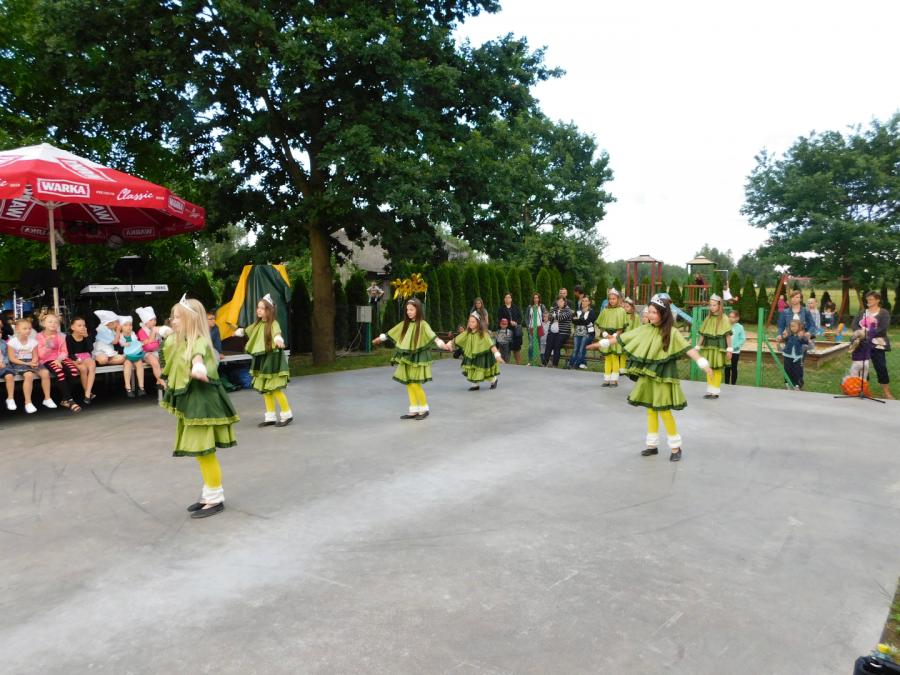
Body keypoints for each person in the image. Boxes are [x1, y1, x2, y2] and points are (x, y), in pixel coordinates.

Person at [588, 294, 712, 461]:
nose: (650, 315)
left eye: (654, 312)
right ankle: (652, 445)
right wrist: (601, 343)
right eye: (649, 312)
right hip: (648, 374)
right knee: (650, 410)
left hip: (663, 376)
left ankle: (675, 447)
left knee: (664, 410)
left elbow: (687, 349)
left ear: (663, 314)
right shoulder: (646, 329)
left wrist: (702, 363)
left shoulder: (672, 332)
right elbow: (623, 338)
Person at [159, 295, 239, 519]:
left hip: (203, 405)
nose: (173, 320)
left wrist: (198, 366)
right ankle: (208, 494)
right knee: (201, 452)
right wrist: (164, 332)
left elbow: (197, 355)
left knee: (205, 452)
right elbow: (170, 347)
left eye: (177, 317)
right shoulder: (179, 340)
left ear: (190, 320)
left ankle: (215, 498)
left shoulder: (200, 341)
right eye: (172, 317)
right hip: (194, 403)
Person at [373, 297, 447, 420]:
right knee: (409, 384)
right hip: (407, 356)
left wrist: (442, 344)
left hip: (418, 357)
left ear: (418, 310)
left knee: (415, 383)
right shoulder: (405, 324)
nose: (409, 312)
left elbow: (433, 336)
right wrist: (380, 339)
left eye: (411, 309)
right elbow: (392, 331)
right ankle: (414, 409)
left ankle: (424, 409)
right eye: (407, 310)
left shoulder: (423, 324)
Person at [239, 294, 293, 427]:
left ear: (269, 310)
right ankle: (270, 416)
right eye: (258, 308)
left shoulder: (274, 324)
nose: (259, 310)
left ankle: (287, 414)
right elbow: (247, 330)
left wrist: (278, 339)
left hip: (273, 360)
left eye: (262, 308)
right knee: (265, 390)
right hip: (263, 359)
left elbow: (277, 333)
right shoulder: (258, 324)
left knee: (275, 388)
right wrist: (240, 331)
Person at [851, 291, 893, 399]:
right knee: (863, 367)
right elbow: (854, 325)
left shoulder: (884, 313)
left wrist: (867, 334)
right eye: (867, 299)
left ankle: (886, 392)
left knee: (881, 367)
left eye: (871, 299)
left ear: (877, 300)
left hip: (877, 343)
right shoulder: (862, 312)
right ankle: (864, 390)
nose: (868, 301)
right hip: (862, 343)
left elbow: (883, 328)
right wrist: (859, 333)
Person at [36, 312, 82, 412]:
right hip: (47, 360)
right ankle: (71, 401)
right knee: (59, 373)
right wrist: (47, 343)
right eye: (50, 322)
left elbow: (64, 351)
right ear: (43, 323)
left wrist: (59, 360)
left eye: (55, 322)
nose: (53, 324)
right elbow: (41, 355)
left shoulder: (61, 336)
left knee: (74, 371)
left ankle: (65, 399)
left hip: (61, 358)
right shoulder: (39, 336)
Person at [5, 318, 52, 413]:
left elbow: (35, 355)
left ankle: (47, 398)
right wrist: (27, 364)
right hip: (19, 362)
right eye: (25, 328)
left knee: (45, 373)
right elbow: (12, 358)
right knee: (29, 375)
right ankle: (28, 402)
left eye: (29, 328)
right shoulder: (12, 342)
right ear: (17, 329)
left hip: (31, 361)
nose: (28, 330)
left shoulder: (33, 341)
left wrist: (34, 362)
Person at [448, 311, 504, 391]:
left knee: (483, 370)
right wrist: (450, 343)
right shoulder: (468, 332)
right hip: (472, 355)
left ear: (478, 323)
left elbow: (491, 344)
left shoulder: (483, 334)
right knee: (472, 369)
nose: (470, 323)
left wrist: (497, 355)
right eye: (469, 321)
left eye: (473, 322)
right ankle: (475, 385)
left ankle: (493, 380)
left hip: (483, 355)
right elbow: (459, 338)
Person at [696, 295, 733, 399]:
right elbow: (703, 334)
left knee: (717, 369)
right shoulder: (708, 318)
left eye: (714, 305)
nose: (711, 307)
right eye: (710, 305)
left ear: (719, 306)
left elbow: (728, 336)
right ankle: (710, 390)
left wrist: (729, 350)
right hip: (708, 348)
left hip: (719, 349)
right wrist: (698, 346)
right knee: (709, 368)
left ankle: (715, 392)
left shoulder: (724, 319)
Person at [594, 288, 628, 386]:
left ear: (618, 299)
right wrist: (605, 333)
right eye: (610, 299)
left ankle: (614, 379)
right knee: (607, 357)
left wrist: (615, 335)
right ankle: (607, 378)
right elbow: (600, 323)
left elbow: (621, 326)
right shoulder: (605, 310)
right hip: (606, 336)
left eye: (614, 299)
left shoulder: (621, 311)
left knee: (614, 357)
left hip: (615, 337)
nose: (612, 301)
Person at [66, 316, 97, 404]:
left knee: (92, 366)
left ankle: (87, 393)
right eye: (79, 325)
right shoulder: (69, 338)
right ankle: (88, 393)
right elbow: (70, 353)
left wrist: (87, 337)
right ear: (73, 327)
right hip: (74, 357)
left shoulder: (86, 336)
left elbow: (90, 349)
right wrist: (76, 359)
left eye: (84, 325)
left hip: (85, 355)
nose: (82, 327)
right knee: (83, 369)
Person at [778, 319, 811, 389]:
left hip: (797, 357)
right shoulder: (789, 335)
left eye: (794, 326)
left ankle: (797, 384)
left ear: (799, 327)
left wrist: (803, 337)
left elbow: (807, 342)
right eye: (791, 326)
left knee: (797, 371)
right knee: (787, 370)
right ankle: (787, 383)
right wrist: (781, 337)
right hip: (787, 356)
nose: (792, 328)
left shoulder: (801, 336)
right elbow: (783, 339)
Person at [118, 316, 146, 398]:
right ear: (121, 327)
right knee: (127, 364)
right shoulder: (119, 336)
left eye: (130, 325)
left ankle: (141, 387)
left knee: (139, 363)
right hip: (126, 356)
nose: (128, 327)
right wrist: (124, 345)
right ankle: (128, 387)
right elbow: (119, 348)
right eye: (125, 325)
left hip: (135, 355)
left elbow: (137, 345)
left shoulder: (134, 335)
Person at [136, 306, 164, 387]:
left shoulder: (157, 330)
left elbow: (161, 343)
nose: (154, 322)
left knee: (163, 361)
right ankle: (162, 382)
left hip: (157, 351)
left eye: (154, 319)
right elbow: (148, 346)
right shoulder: (142, 331)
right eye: (151, 320)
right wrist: (154, 333)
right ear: (145, 322)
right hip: (146, 353)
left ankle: (159, 381)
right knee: (154, 362)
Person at [568, 294, 597, 370]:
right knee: (576, 349)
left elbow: (588, 321)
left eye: (586, 301)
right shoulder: (577, 311)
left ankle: (575, 364)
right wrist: (580, 320)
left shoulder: (591, 312)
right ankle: (572, 364)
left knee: (581, 349)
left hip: (588, 334)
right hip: (577, 333)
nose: (584, 302)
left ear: (589, 302)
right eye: (583, 301)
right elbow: (573, 321)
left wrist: (578, 320)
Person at [543, 296, 573, 368]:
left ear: (564, 302)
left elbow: (561, 318)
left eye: (561, 301)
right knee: (548, 346)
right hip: (552, 332)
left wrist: (554, 316)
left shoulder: (568, 310)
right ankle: (544, 363)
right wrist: (554, 317)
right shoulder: (554, 309)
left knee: (557, 346)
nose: (560, 303)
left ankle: (555, 364)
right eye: (558, 301)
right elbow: (549, 318)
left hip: (563, 332)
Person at [497, 293, 523, 365]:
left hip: (515, 332)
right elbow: (499, 319)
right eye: (506, 297)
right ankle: (504, 366)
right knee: (505, 351)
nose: (507, 299)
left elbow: (520, 318)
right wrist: (508, 323)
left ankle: (519, 366)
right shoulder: (501, 309)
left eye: (509, 297)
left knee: (516, 350)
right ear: (504, 299)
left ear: (511, 299)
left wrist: (516, 322)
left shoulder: (516, 308)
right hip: (505, 332)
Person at [723, 310, 745, 385]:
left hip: (735, 352)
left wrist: (734, 347)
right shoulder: (725, 326)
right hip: (726, 351)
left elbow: (742, 339)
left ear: (737, 318)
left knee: (734, 368)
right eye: (729, 316)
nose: (730, 318)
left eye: (733, 317)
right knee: (727, 368)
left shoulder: (740, 327)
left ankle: (733, 384)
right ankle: (726, 384)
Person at [525, 293, 547, 366]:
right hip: (532, 328)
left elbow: (545, 315)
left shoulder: (542, 306)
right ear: (533, 299)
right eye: (534, 298)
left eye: (537, 298)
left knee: (541, 345)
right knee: (531, 345)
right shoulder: (529, 307)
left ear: (539, 299)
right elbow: (526, 317)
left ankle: (542, 362)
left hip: (539, 327)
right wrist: (528, 326)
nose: (536, 299)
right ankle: (530, 361)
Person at [1, 338, 16, 411]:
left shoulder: (4, 343)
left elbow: (7, 355)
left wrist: (4, 362)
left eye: (0, 332)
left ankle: (10, 398)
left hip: (4, 365)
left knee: (9, 376)